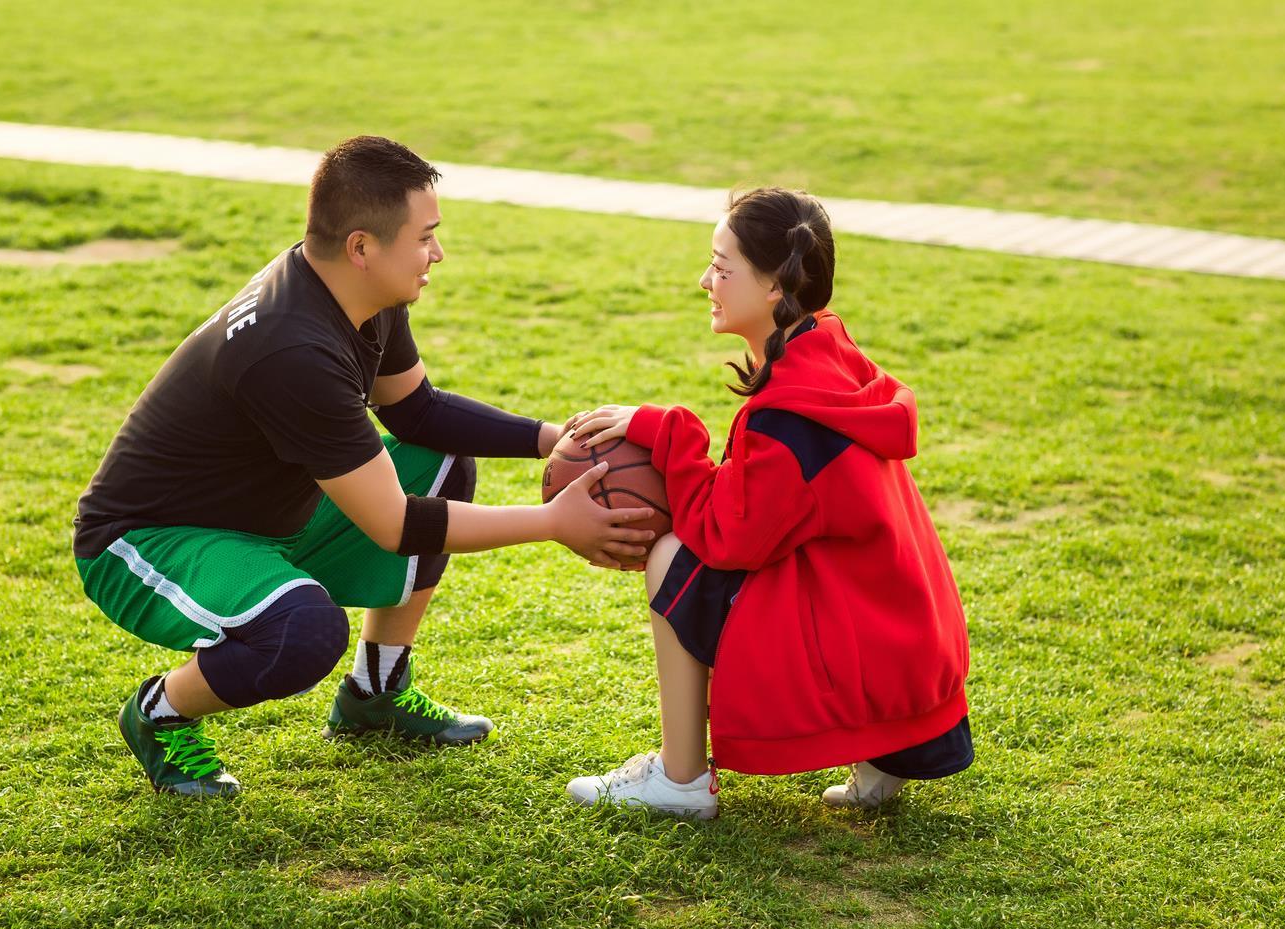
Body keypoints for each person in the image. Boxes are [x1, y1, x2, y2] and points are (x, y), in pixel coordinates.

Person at [73, 136, 655, 797]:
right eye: (425, 238)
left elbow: (420, 414)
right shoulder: (292, 349)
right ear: (361, 247)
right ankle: (160, 713)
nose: (438, 253)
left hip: (265, 521)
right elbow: (395, 525)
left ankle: (375, 691)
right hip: (148, 541)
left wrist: (558, 437)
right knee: (303, 632)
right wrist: (552, 522)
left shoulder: (353, 291)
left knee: (440, 458)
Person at [562, 188, 973, 819]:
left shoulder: (788, 417)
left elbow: (728, 538)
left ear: (776, 285)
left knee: (673, 557)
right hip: (906, 644)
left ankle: (679, 779)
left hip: (876, 655)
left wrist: (669, 430)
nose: (705, 281)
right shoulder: (831, 355)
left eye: (720, 267)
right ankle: (880, 758)